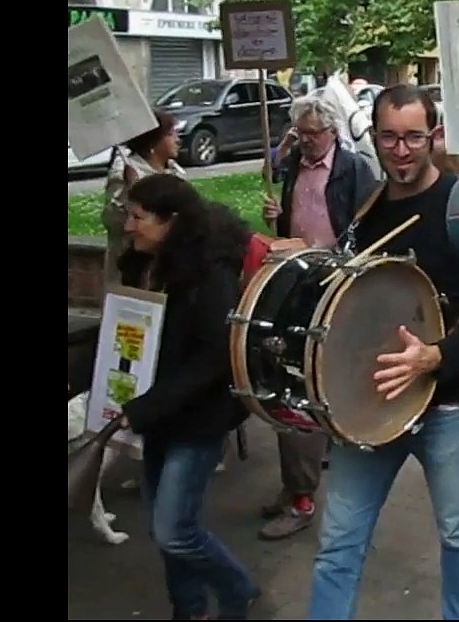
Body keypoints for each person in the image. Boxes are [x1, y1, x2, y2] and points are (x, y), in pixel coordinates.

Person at [308, 85, 459, 620]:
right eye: (389, 137)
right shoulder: (367, 209)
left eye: (414, 137)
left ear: (434, 136)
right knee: (339, 540)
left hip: (450, 405)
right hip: (375, 402)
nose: (401, 151)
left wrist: (435, 357)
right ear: (374, 137)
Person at [114, 174, 259, 621]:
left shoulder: (211, 274)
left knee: (173, 530)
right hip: (158, 417)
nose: (128, 227)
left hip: (198, 421)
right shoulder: (143, 265)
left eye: (138, 218)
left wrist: (144, 408)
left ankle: (238, 589)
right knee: (165, 527)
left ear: (171, 221)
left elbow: (213, 359)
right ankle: (189, 609)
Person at [258, 94, 378, 541]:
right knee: (286, 375)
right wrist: (278, 219)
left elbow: (369, 225)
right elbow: (291, 219)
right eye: (301, 133)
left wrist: (346, 264)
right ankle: (297, 483)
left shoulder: (354, 169)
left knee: (303, 380)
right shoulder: (293, 164)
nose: (307, 141)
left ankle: (302, 491)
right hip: (295, 277)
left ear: (332, 131)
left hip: (334, 282)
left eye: (314, 133)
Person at [101, 110, 187, 285]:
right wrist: (130, 191)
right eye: (170, 134)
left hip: (168, 267)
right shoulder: (124, 173)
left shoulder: (174, 172)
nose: (177, 139)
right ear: (153, 141)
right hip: (131, 271)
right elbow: (113, 221)